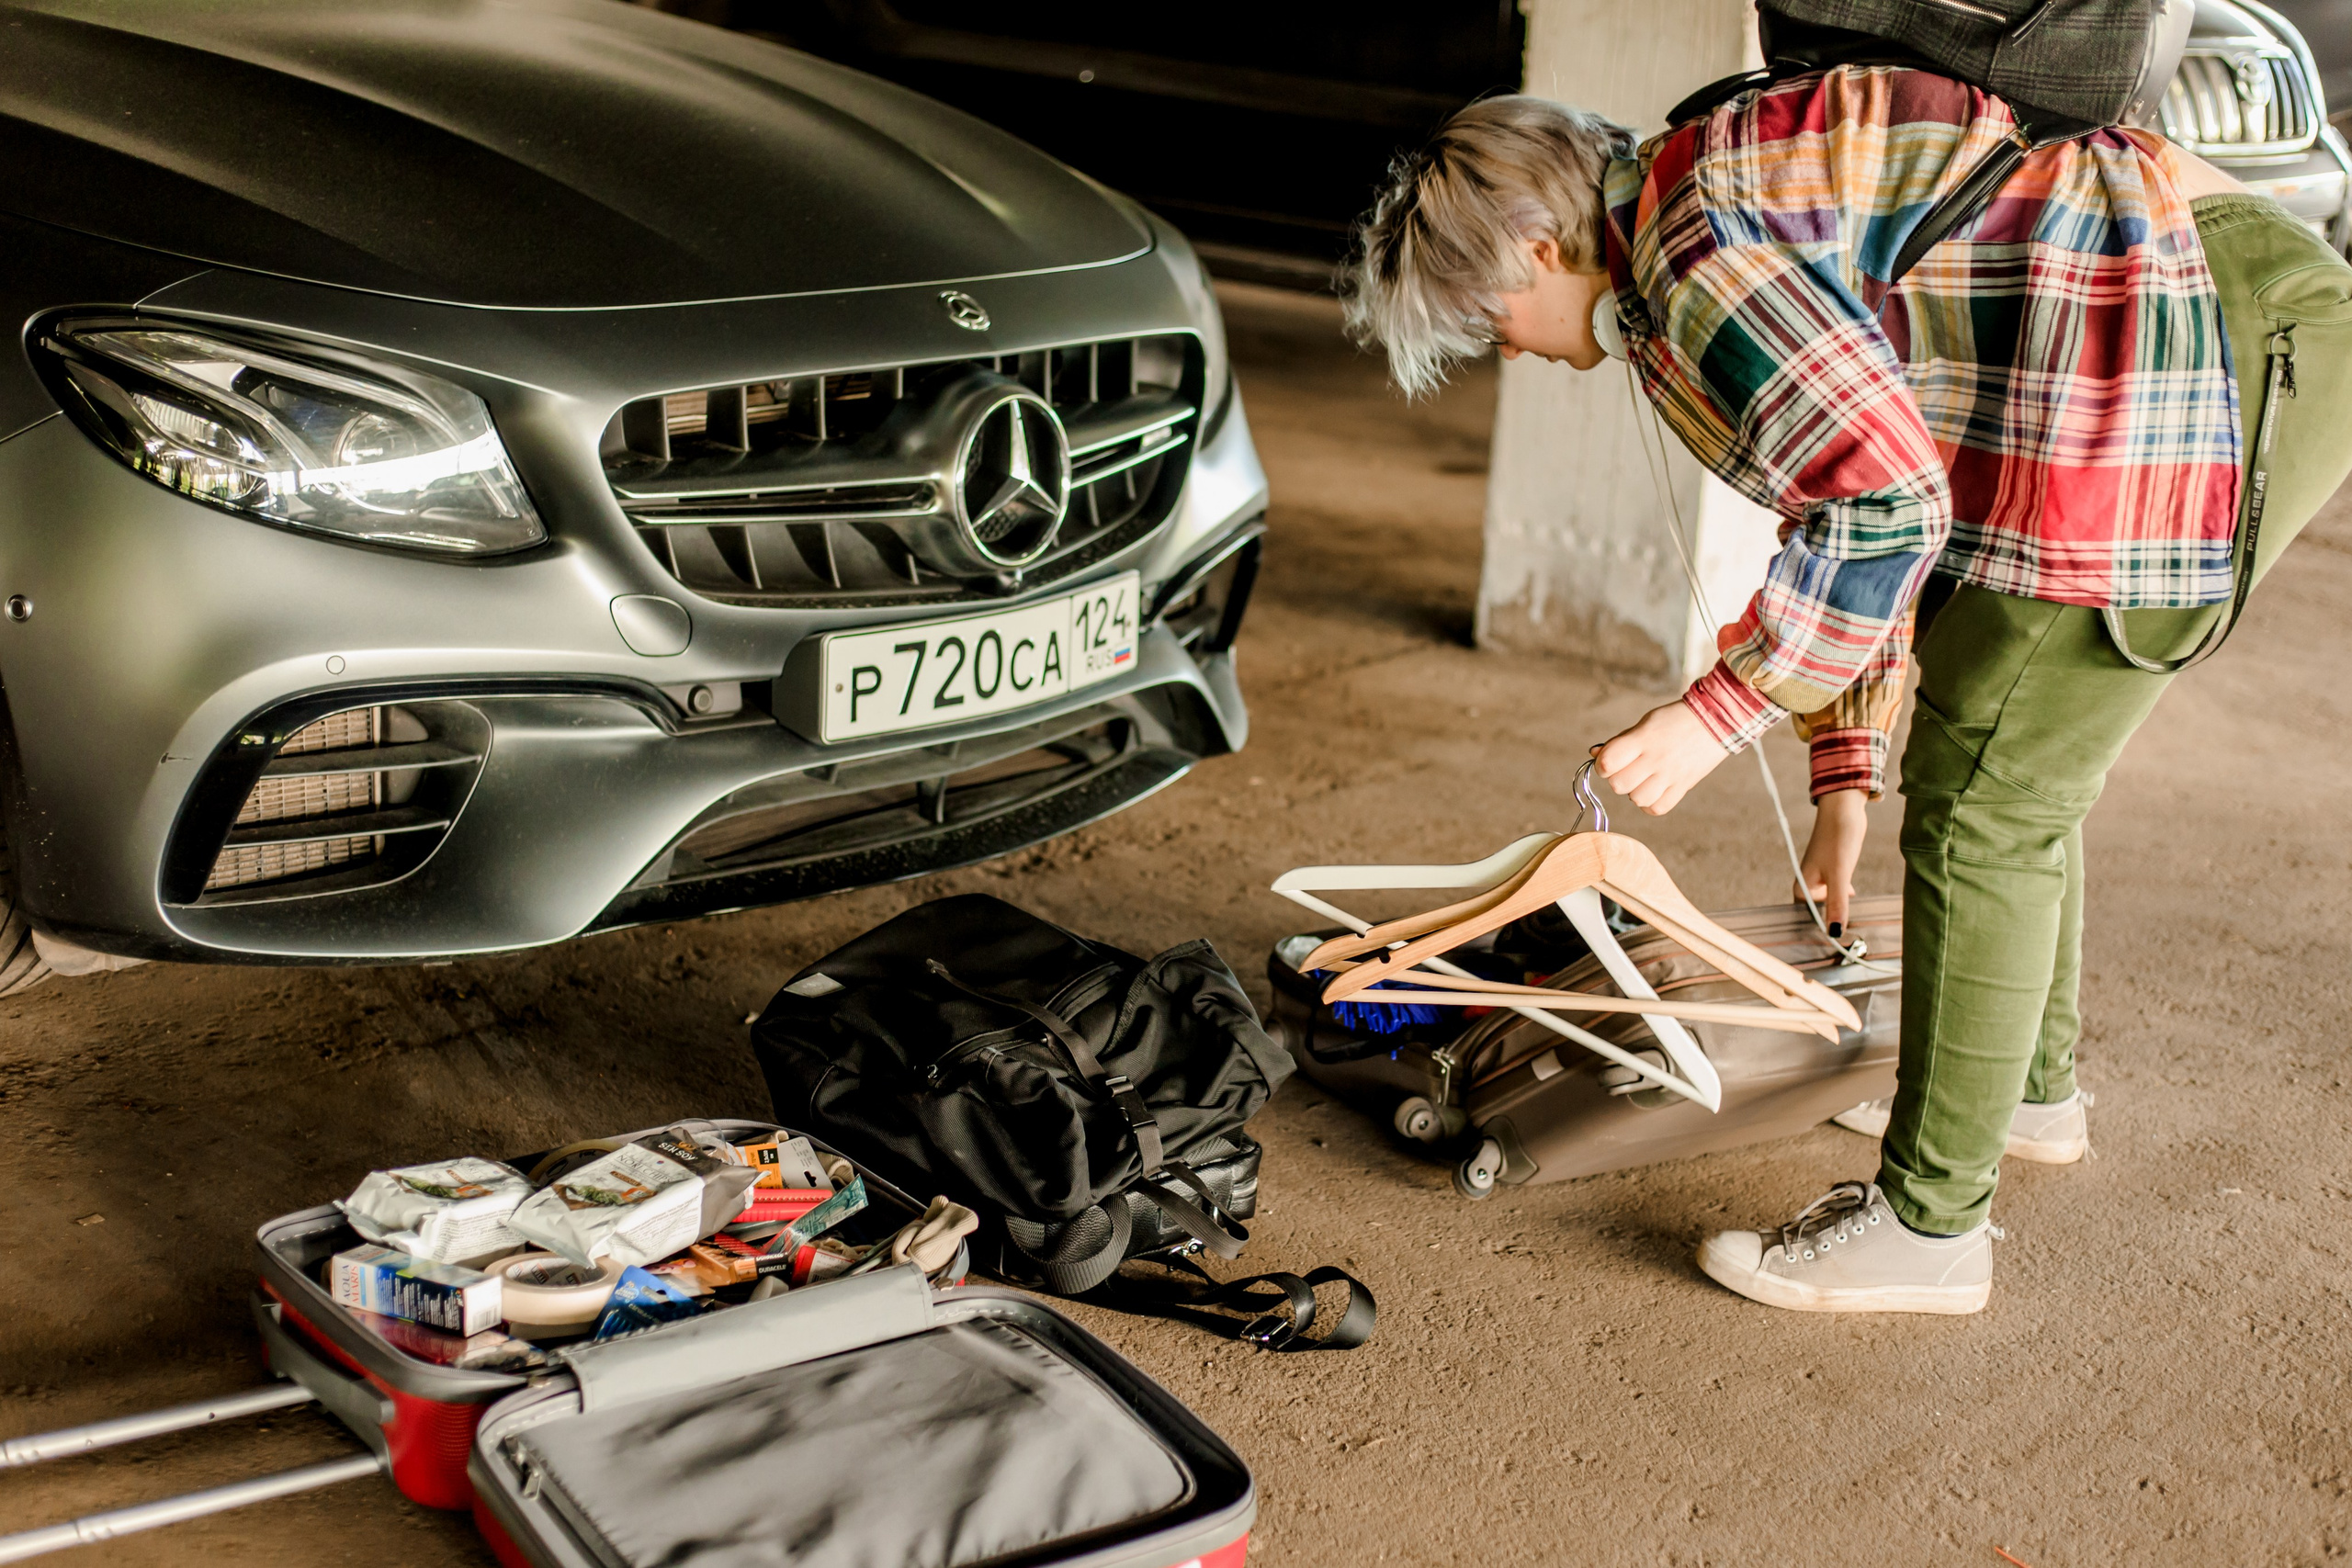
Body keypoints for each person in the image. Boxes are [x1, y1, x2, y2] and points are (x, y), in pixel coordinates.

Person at [1343, 70, 2352, 1313]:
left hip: (2220, 327)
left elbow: (1883, 503)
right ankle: (2022, 1097)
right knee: (1997, 748)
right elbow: (1854, 508)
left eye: (1485, 315)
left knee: (1993, 792)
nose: (1503, 348)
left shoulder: (1692, 250)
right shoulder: (1675, 235)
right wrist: (1843, 781)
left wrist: (1715, 713)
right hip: (2147, 325)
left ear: (1540, 246)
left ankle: (1932, 1233)